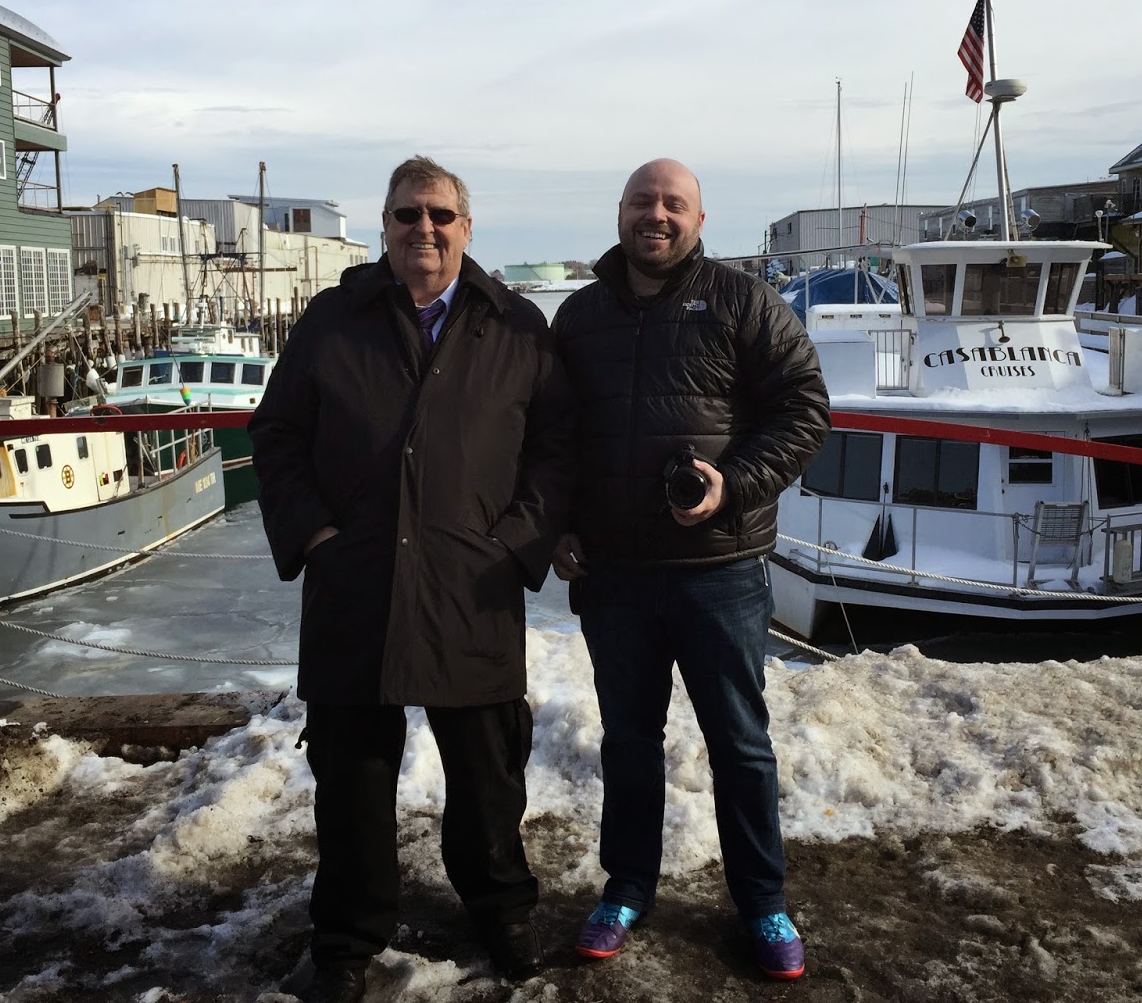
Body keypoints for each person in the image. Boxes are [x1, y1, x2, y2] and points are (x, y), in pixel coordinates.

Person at [250, 156, 573, 1003]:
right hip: (355, 580)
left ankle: (502, 911)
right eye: (406, 215)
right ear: (385, 226)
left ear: (467, 227)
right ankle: (347, 938)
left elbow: (556, 450)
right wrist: (315, 534)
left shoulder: (514, 326)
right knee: (352, 779)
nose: (423, 229)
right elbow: (276, 436)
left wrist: (514, 544)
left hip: (472, 584)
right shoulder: (334, 320)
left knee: (488, 771)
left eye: (439, 214)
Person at [550, 157, 829, 981]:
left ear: (699, 221)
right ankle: (627, 887)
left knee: (741, 745)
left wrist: (732, 484)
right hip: (614, 575)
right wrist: (559, 525)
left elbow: (805, 408)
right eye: (643, 201)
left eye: (674, 203)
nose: (657, 215)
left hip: (721, 570)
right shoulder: (580, 317)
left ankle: (762, 901)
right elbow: (554, 436)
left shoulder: (745, 302)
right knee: (629, 742)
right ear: (621, 213)